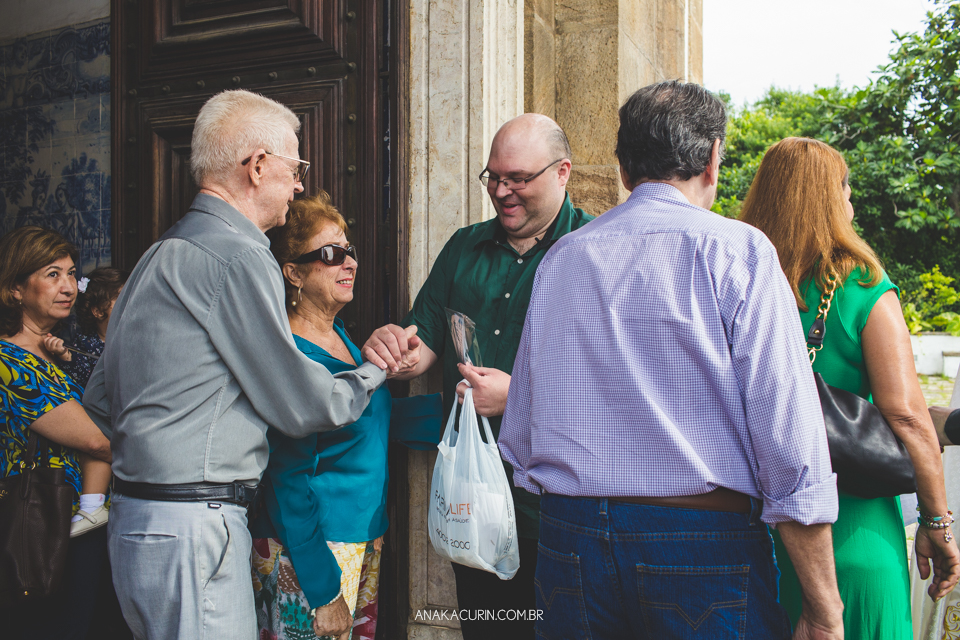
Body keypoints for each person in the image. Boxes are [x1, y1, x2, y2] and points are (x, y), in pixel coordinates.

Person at [499, 81, 845, 640]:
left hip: (572, 541)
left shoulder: (563, 258)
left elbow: (519, 435)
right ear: (712, 160)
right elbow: (790, 446)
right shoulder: (739, 251)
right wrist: (825, 608)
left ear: (623, 169)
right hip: (699, 541)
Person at [81, 90, 405, 640]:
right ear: (257, 166)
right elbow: (304, 404)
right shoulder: (240, 252)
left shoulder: (158, 255)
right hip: (195, 526)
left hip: (137, 525)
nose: (300, 183)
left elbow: (99, 399)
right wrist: (378, 368)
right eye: (295, 167)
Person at [362, 113, 593, 638]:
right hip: (474, 501)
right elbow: (424, 347)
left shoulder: (595, 247)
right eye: (493, 177)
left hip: (560, 508)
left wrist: (519, 396)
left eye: (518, 179)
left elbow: (618, 384)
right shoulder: (464, 246)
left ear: (563, 173)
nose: (502, 192)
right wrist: (396, 349)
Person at [739, 136, 960, 638]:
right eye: (846, 187)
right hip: (852, 534)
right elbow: (905, 416)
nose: (852, 201)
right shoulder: (861, 285)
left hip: (755, 533)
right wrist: (937, 523)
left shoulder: (737, 278)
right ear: (829, 198)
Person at [248, 193, 441, 640]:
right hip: (309, 553)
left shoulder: (342, 339)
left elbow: (370, 420)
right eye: (330, 255)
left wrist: (464, 411)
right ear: (293, 272)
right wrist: (322, 590)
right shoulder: (294, 355)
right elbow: (286, 481)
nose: (349, 262)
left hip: (357, 538)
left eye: (349, 250)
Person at [0, 226, 114, 639]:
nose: (67, 286)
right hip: (46, 522)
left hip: (80, 523)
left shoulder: (52, 355)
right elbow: (96, 441)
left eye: (70, 274)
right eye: (52, 274)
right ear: (15, 289)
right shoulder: (8, 361)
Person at [61, 267, 128, 387]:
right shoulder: (84, 345)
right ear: (98, 311)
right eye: (121, 300)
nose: (129, 305)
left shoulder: (132, 337)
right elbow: (84, 383)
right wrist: (67, 358)